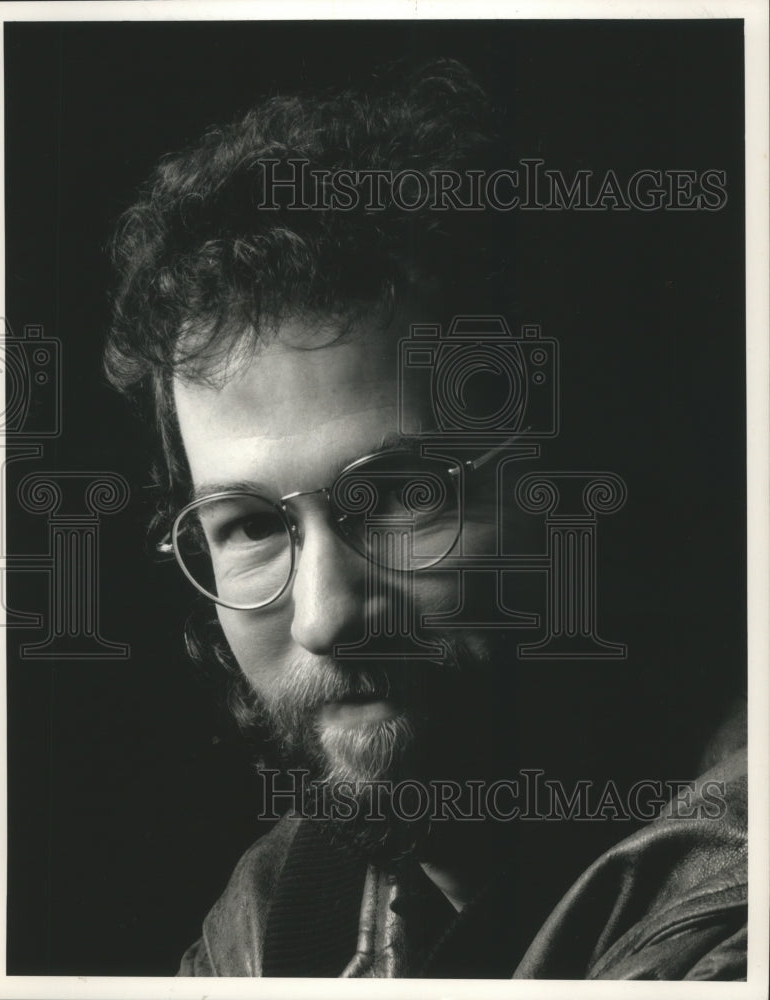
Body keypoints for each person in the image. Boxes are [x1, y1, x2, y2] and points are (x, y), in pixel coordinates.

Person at [104, 59, 747, 979]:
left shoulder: (727, 902)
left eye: (402, 494)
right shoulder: (281, 901)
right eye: (247, 526)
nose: (325, 616)